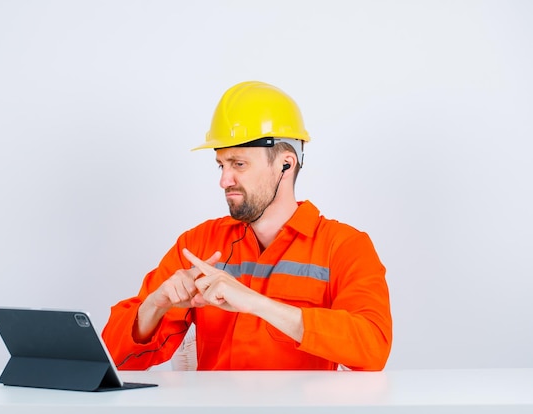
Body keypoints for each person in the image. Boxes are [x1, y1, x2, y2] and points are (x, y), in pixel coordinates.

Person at [102, 81, 392, 371]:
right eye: (221, 165)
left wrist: (257, 304)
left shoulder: (343, 247)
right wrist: (154, 305)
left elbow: (372, 347)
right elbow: (115, 357)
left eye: (238, 164)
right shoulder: (199, 245)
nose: (224, 180)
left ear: (285, 165)